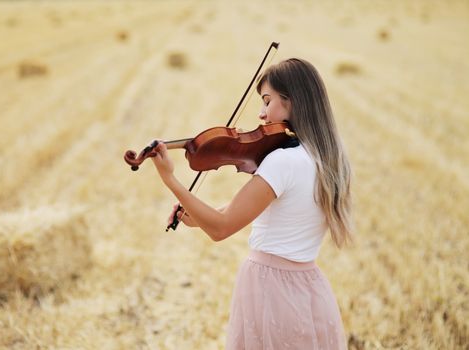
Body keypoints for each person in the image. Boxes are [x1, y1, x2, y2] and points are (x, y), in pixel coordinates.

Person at [150, 58, 351, 349]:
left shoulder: (282, 161)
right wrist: (197, 215)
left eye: (267, 101)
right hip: (309, 287)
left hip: (272, 291)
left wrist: (170, 179)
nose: (261, 113)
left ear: (291, 101)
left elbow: (221, 229)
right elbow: (263, 215)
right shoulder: (327, 158)